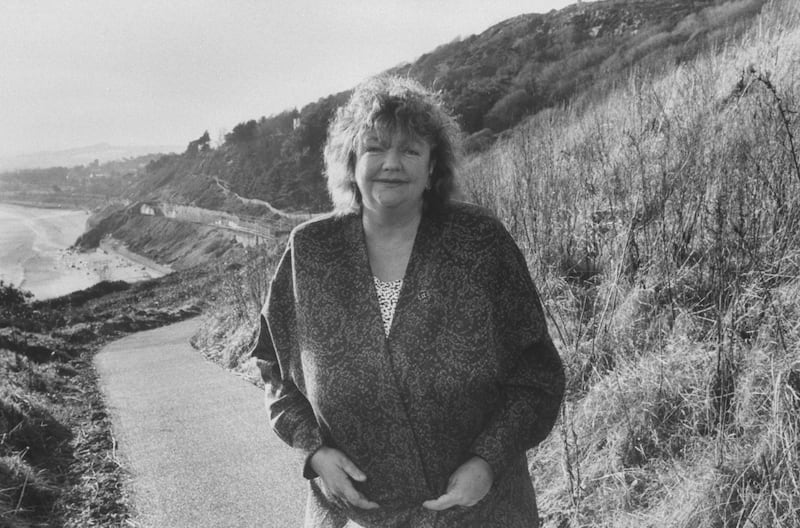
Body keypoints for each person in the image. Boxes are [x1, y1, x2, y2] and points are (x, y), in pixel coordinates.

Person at [251, 75, 565, 527]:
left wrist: (487, 462)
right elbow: (272, 367)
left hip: (479, 512)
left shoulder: (479, 243)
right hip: (352, 516)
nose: (391, 164)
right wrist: (313, 450)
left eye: (410, 150)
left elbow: (536, 375)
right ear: (352, 160)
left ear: (433, 166)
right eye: (375, 147)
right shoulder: (310, 251)